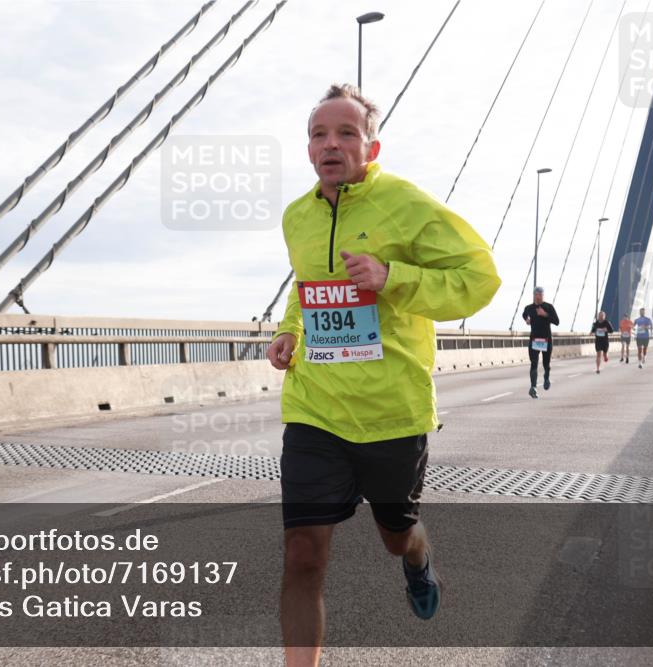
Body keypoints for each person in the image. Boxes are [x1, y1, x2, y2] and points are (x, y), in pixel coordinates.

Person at [266, 83, 501, 666]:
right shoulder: (297, 217)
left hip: (391, 412)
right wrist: (287, 330)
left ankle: (418, 559)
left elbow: (480, 280)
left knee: (396, 535)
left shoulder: (407, 204)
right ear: (308, 149)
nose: (331, 143)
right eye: (320, 133)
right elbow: (305, 292)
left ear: (371, 150)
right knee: (302, 554)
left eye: (347, 132)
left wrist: (392, 276)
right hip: (314, 408)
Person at [521, 287, 559, 398]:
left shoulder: (548, 307)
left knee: (546, 364)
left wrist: (545, 314)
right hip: (534, 340)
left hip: (546, 340)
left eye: (541, 294)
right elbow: (524, 314)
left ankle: (546, 378)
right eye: (537, 294)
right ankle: (533, 387)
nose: (538, 296)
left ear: (543, 295)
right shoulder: (529, 308)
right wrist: (526, 319)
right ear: (534, 295)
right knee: (534, 363)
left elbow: (557, 321)